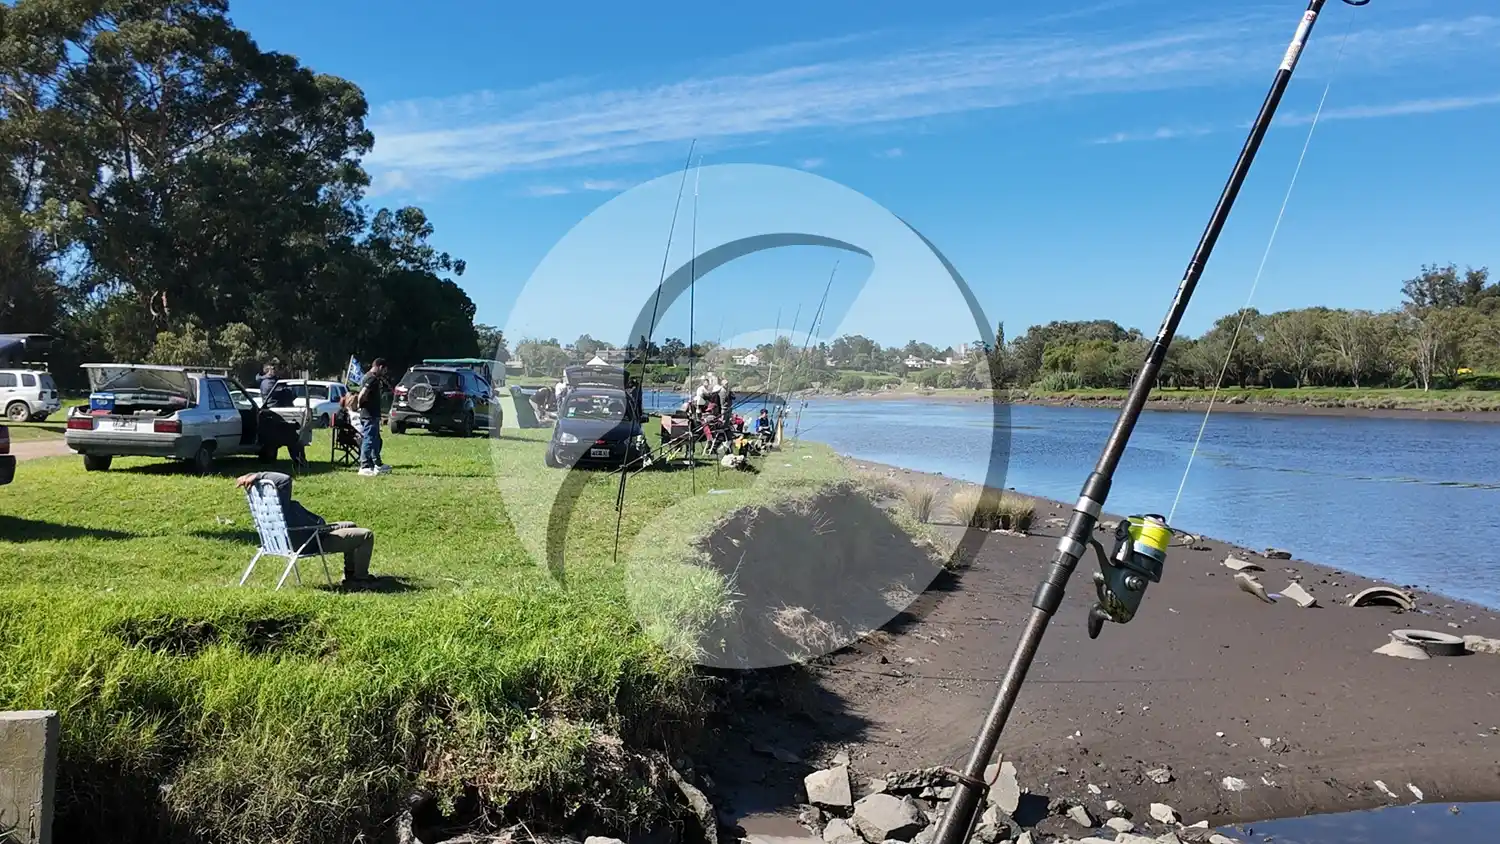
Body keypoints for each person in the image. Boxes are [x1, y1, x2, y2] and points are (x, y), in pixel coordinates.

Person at [236, 471, 374, 583]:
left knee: (350, 525)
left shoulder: (268, 509)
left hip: (303, 535)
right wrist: (259, 475)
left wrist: (253, 476)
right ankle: (360, 579)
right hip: (311, 540)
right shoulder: (283, 507)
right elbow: (284, 479)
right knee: (366, 535)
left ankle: (350, 574)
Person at [355, 358, 390, 476]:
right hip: (369, 414)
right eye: (384, 370)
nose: (385, 373)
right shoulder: (372, 378)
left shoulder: (367, 376)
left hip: (371, 414)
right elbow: (362, 394)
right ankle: (364, 466)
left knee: (376, 441)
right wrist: (360, 405)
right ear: (380, 367)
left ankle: (377, 464)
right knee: (369, 440)